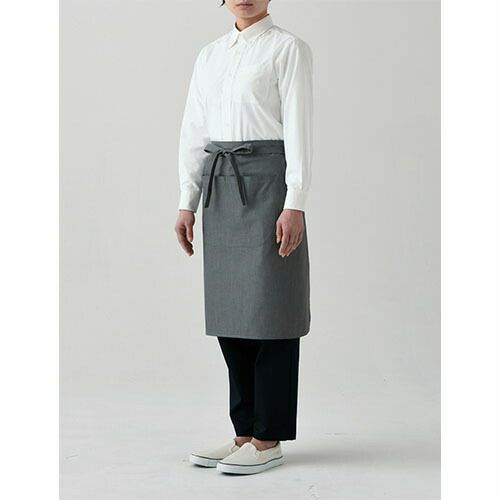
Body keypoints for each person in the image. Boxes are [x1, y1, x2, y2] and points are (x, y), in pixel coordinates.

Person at [174, 0, 313, 475]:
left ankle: (268, 437)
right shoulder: (210, 55)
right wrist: (187, 200)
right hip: (220, 184)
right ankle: (244, 432)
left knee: (272, 310)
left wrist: (295, 201)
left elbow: (299, 128)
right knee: (230, 313)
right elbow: (194, 130)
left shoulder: (288, 49)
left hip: (270, 185)